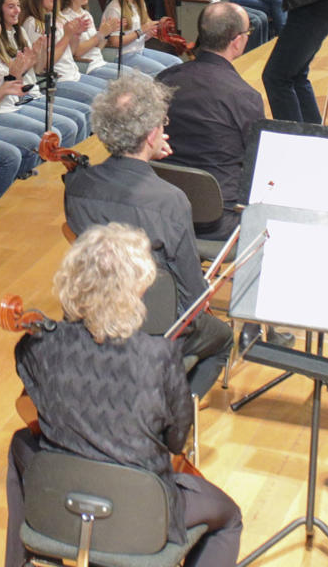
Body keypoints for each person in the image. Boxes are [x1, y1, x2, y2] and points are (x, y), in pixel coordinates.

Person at [3, 223, 242, 567]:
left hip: (65, 495)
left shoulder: (38, 345)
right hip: (138, 513)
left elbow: (34, 392)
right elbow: (176, 442)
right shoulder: (159, 356)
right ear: (136, 289)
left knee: (20, 444)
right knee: (229, 517)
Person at [60, 73, 232, 395]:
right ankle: (177, 405)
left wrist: (147, 152)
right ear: (153, 134)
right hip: (151, 322)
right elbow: (191, 295)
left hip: (93, 312)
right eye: (162, 126)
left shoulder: (77, 186)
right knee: (223, 338)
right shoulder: (170, 200)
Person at [154, 4, 263, 237]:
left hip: (161, 208)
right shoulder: (245, 97)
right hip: (219, 218)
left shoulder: (163, 79)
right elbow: (256, 164)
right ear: (237, 42)